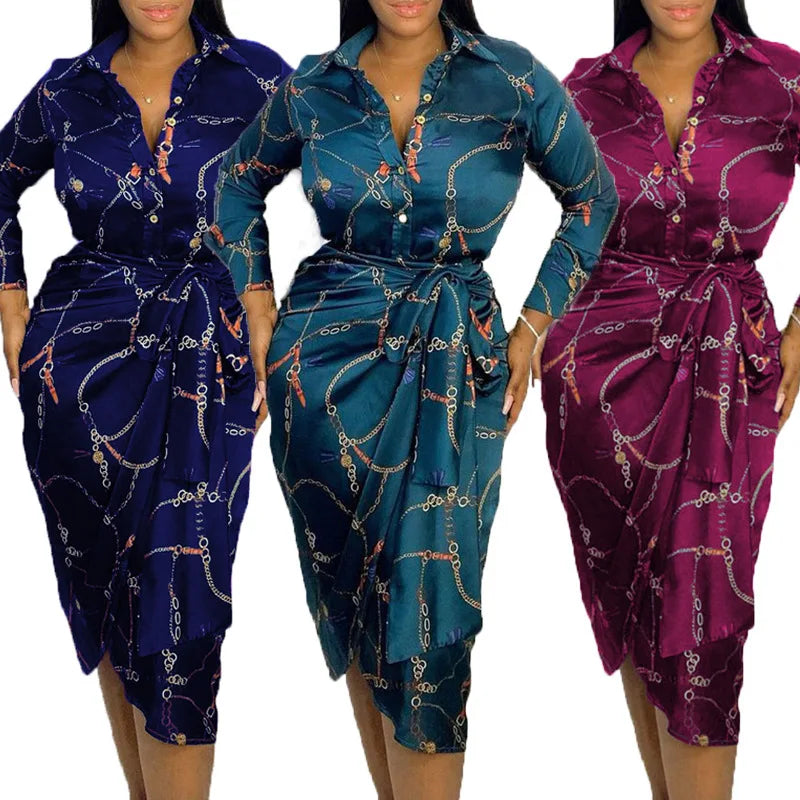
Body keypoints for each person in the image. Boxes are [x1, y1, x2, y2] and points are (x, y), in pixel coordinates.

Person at [206, 0, 617, 796]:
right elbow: (235, 183)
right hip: (323, 380)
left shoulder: (510, 76)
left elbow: (593, 199)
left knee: (432, 623)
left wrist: (532, 328)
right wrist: (256, 305)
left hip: (455, 363)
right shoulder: (314, 86)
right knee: (363, 602)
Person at [0, 1, 290, 797]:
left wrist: (274, 301)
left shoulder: (257, 77)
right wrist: (10, 299)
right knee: (114, 592)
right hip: (77, 376)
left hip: (207, 359)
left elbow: (357, 166)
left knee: (183, 608)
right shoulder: (68, 89)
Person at [540, 2, 800, 798]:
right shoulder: (584, 90)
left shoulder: (783, 79)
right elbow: (555, 222)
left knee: (704, 610)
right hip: (599, 382)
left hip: (729, 363)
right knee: (640, 599)